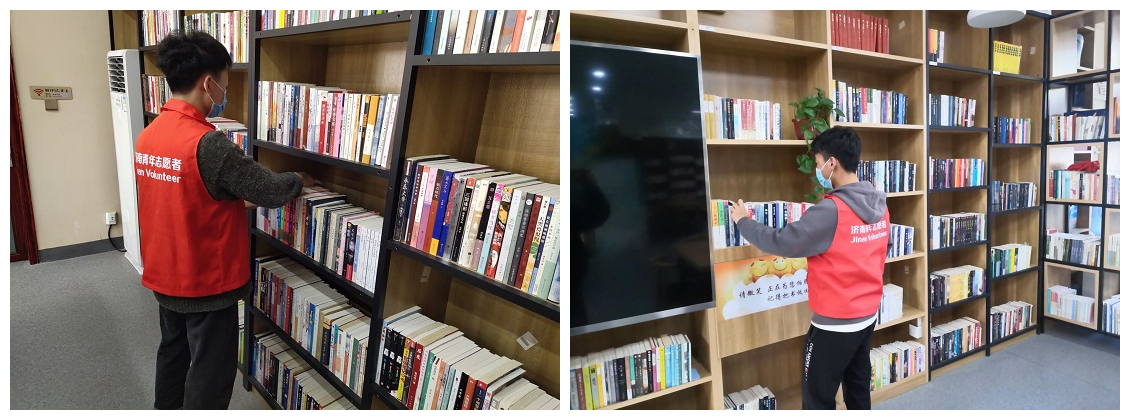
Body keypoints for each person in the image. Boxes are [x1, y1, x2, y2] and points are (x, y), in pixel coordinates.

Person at [135, 31, 315, 410]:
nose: (225, 94)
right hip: (205, 281)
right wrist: (299, 180)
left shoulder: (149, 135)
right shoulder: (209, 143)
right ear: (208, 84)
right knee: (211, 371)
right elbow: (269, 189)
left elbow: (188, 194)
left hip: (165, 273)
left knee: (173, 354)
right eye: (226, 86)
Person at [728, 126, 891, 410]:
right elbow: (880, 250)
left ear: (832, 163)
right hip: (867, 316)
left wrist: (743, 221)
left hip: (834, 324)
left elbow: (782, 241)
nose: (818, 171)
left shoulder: (831, 211)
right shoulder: (880, 204)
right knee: (858, 392)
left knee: (817, 402)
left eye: (818, 164)